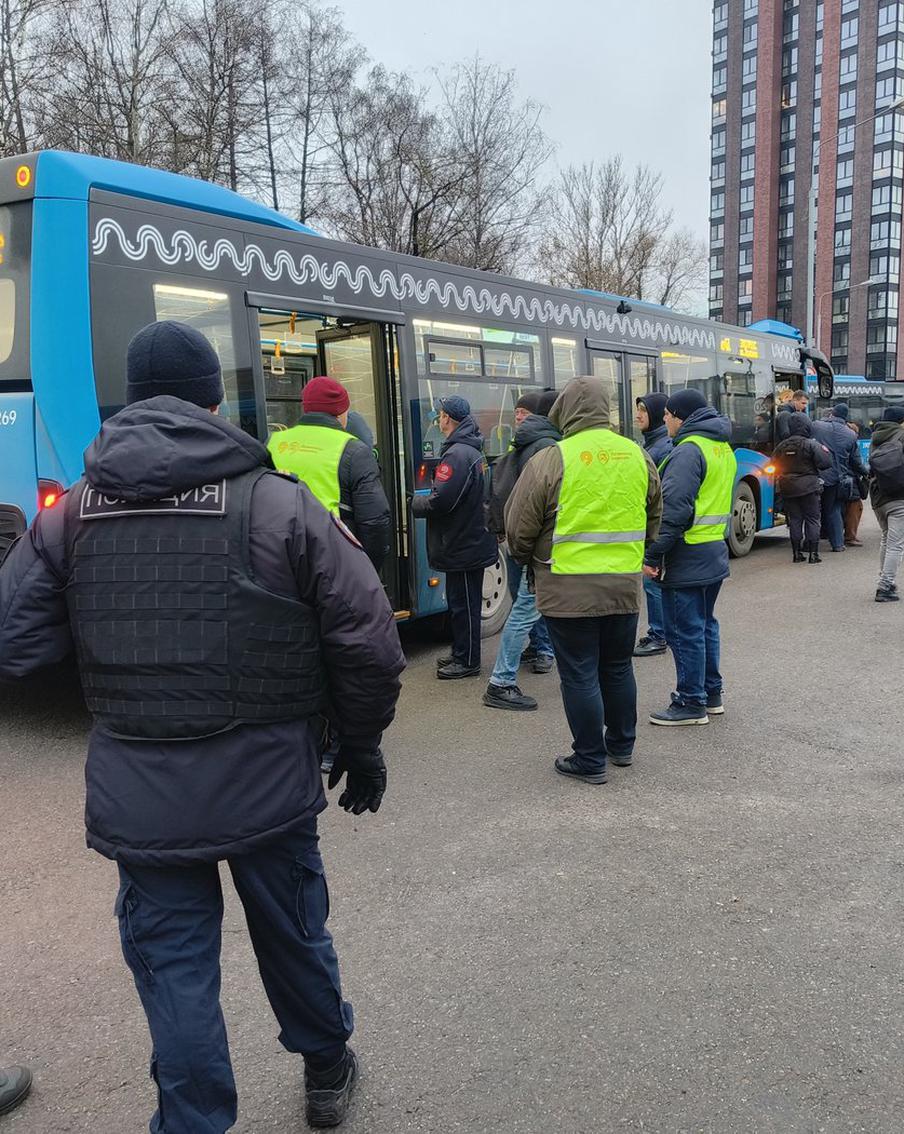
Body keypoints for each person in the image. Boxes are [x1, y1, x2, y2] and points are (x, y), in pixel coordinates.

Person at [0, 320, 406, 1132]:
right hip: (269, 783)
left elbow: (15, 643)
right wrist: (359, 745)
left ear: (130, 404)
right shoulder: (280, 504)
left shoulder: (71, 516)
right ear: (216, 402)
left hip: (140, 793)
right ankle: (326, 1070)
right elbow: (369, 643)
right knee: (293, 937)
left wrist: (109, 653)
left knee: (174, 971)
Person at [504, 376, 662, 784]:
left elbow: (519, 526)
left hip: (566, 587)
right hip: (623, 586)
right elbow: (653, 514)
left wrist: (527, 560)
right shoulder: (637, 455)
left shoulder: (553, 458)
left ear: (566, 410)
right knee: (617, 667)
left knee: (579, 673)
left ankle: (589, 758)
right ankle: (622, 746)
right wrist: (636, 552)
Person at [644, 388, 736, 726]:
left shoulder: (687, 451)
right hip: (713, 551)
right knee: (705, 625)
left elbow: (673, 511)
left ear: (681, 416)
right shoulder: (721, 447)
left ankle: (690, 702)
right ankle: (711, 694)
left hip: (686, 555)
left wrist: (653, 555)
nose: (664, 419)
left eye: (668, 414)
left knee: (685, 631)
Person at [483, 389, 561, 710]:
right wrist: (528, 549)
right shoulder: (547, 448)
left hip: (522, 542)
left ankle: (545, 653)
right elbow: (534, 505)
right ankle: (501, 681)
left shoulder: (525, 443)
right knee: (525, 609)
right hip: (539, 548)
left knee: (529, 607)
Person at [413, 395, 498, 679]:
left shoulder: (457, 454)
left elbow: (442, 501)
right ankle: (462, 651)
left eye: (440, 415)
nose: (438, 419)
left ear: (447, 418)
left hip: (462, 542)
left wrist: (415, 503)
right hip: (469, 539)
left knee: (464, 605)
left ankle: (468, 661)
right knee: (462, 603)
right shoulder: (469, 449)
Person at [268, 375, 391, 571]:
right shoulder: (354, 450)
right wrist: (367, 571)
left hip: (279, 557)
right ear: (341, 412)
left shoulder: (273, 442)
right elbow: (374, 522)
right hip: (330, 561)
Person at [633, 392, 672, 658]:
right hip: (656, 524)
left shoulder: (660, 448)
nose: (637, 415)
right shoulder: (653, 444)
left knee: (652, 580)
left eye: (643, 411)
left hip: (658, 525)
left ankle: (659, 634)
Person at [772, 414, 831, 563]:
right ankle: (813, 554)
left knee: (795, 520)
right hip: (809, 486)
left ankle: (796, 554)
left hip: (788, 487)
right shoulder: (811, 444)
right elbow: (825, 463)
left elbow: (773, 464)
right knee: (812, 519)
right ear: (807, 425)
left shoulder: (782, 445)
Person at [812, 402, 868, 552]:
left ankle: (811, 544)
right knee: (834, 510)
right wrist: (866, 472)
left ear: (832, 414)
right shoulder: (850, 434)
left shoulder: (817, 426)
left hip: (817, 476)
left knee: (813, 512)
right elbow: (855, 462)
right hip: (838, 478)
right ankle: (837, 544)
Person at [868, 405, 904, 602]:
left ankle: (885, 580)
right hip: (899, 496)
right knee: (896, 544)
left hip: (878, 497)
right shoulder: (901, 435)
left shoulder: (876, 438)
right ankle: (884, 587)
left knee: (886, 539)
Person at [844, 420, 865, 547]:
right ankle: (850, 536)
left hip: (841, 478)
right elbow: (857, 463)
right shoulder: (852, 443)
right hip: (851, 479)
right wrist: (866, 472)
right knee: (855, 507)